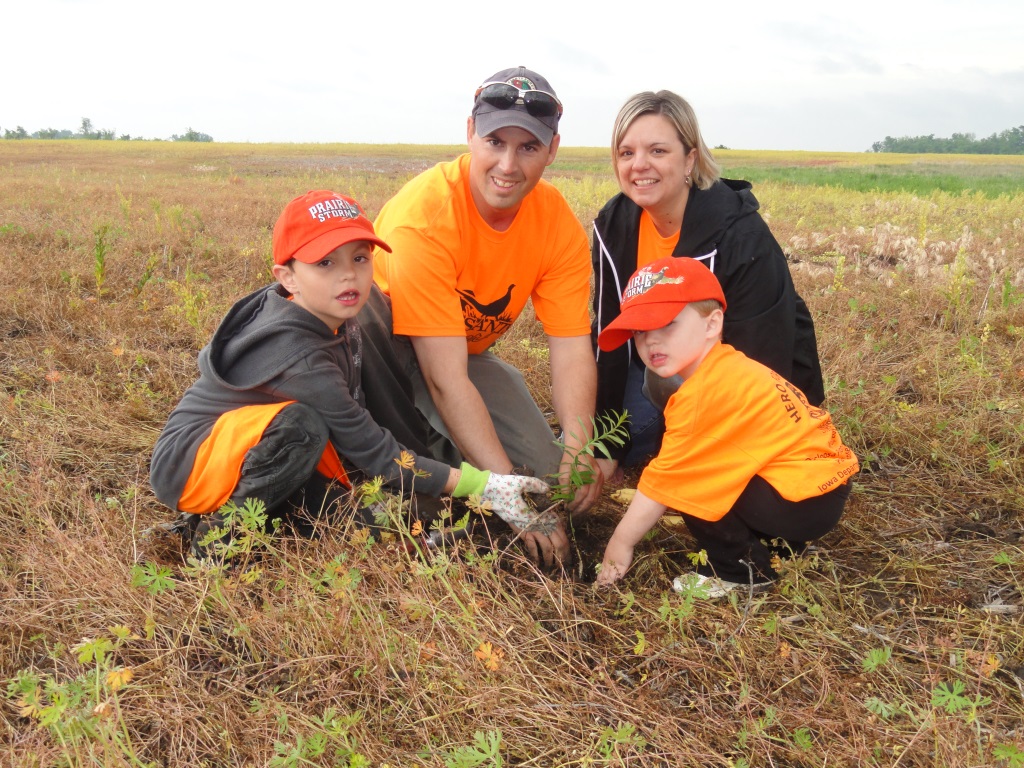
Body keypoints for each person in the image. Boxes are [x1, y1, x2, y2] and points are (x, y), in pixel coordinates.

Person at [149, 190, 550, 560]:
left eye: (360, 258)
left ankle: (280, 516)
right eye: (325, 263)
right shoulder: (300, 356)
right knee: (299, 427)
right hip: (192, 465)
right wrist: (482, 485)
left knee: (393, 520)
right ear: (287, 276)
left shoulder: (331, 309)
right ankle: (218, 540)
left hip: (277, 454)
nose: (349, 276)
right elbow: (377, 453)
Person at [357, 66, 601, 568]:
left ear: (552, 150)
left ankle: (474, 477)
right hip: (385, 359)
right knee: (489, 492)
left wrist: (579, 447)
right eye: (494, 141)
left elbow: (573, 347)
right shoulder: (423, 218)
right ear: (470, 133)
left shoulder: (555, 223)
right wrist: (505, 490)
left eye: (528, 147)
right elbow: (443, 380)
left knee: (556, 480)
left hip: (461, 358)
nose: (508, 165)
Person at [592, 90, 824, 479]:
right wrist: (603, 444)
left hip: (743, 378)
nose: (639, 165)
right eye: (626, 152)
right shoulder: (613, 226)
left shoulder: (740, 235)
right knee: (584, 441)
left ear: (690, 158)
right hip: (658, 364)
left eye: (658, 151)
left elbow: (765, 360)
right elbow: (607, 338)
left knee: (684, 461)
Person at [595, 257, 857, 596]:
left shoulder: (704, 393)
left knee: (691, 475)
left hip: (800, 499)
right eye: (639, 331)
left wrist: (620, 544)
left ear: (711, 323)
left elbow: (664, 481)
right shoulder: (730, 367)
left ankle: (739, 570)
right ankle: (779, 550)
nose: (650, 341)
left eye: (667, 324)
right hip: (818, 491)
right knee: (708, 466)